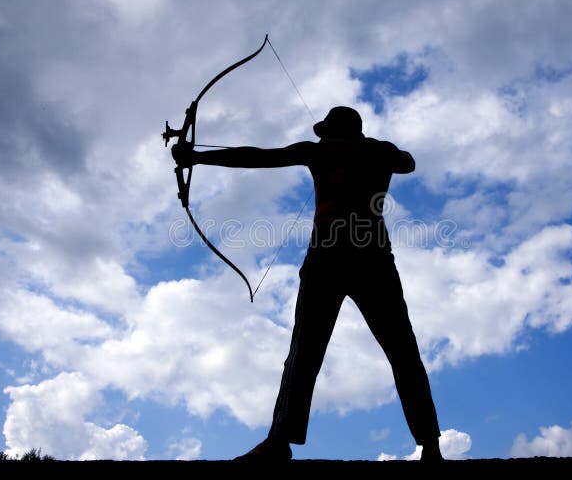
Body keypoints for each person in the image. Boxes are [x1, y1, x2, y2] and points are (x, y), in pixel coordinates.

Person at [173, 106, 442, 462]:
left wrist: (195, 157)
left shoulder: (331, 150)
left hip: (336, 259)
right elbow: (405, 161)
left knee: (309, 353)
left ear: (332, 131)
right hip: (368, 257)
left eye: (325, 132)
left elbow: (260, 158)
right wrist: (198, 157)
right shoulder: (374, 151)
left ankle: (281, 442)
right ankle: (430, 446)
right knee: (395, 351)